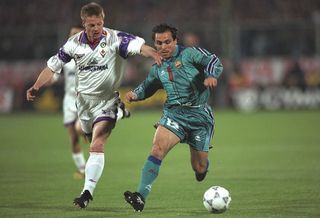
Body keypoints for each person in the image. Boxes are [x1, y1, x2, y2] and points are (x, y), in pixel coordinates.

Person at [26, 2, 161, 209]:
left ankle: (86, 193)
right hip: (83, 103)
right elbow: (52, 67)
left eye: (99, 24)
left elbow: (140, 47)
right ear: (84, 23)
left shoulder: (116, 39)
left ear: (103, 22)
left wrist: (154, 54)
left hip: (107, 100)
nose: (96, 29)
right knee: (87, 137)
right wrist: (35, 87)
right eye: (91, 25)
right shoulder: (73, 44)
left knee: (97, 144)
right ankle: (118, 116)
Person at [123, 23, 223, 212]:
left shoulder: (190, 54)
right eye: (158, 43)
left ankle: (203, 167)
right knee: (157, 148)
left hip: (199, 116)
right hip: (174, 114)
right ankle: (140, 196)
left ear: (175, 40)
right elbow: (148, 86)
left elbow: (213, 61)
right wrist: (136, 94)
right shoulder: (157, 67)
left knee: (199, 167)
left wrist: (210, 75)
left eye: (167, 42)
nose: (163, 47)